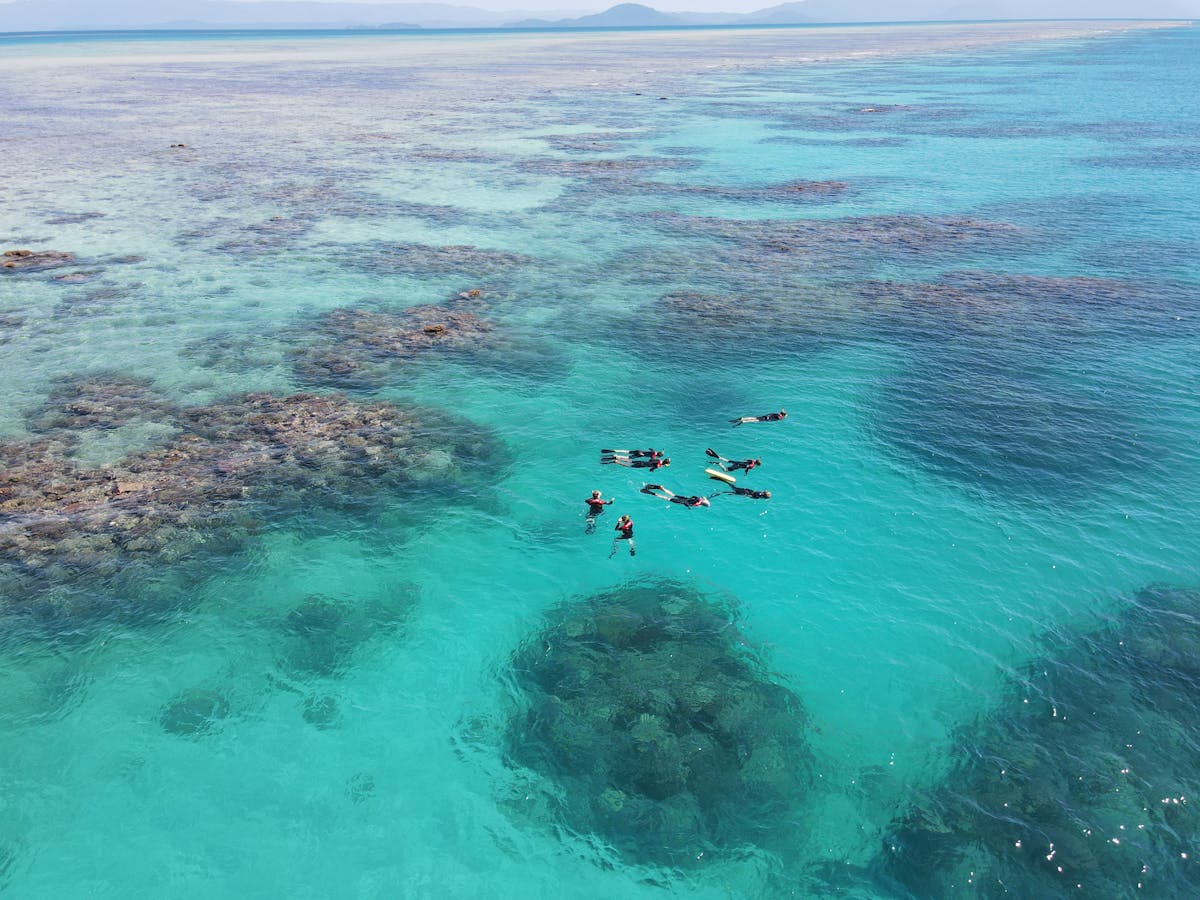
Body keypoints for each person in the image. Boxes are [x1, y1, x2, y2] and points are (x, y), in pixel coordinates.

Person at [640, 483, 711, 508]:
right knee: (666, 498)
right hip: (681, 501)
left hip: (684, 497)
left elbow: (693, 497)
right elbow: (686, 503)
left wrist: (703, 498)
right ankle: (651, 493)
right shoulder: (697, 504)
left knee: (672, 494)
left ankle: (662, 488)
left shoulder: (699, 499)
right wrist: (688, 507)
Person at [602, 454, 670, 472]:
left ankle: (617, 457)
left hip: (642, 462)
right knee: (628, 466)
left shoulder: (659, 460)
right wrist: (652, 470)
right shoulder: (658, 465)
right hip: (641, 465)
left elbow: (651, 460)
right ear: (665, 464)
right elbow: (651, 469)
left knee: (630, 461)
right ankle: (616, 462)